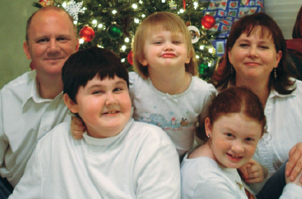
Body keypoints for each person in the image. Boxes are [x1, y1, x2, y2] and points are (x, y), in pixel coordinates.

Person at [9, 46, 181, 199]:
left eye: (118, 89)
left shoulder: (152, 144)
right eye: (97, 92)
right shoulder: (54, 142)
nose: (111, 100)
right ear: (71, 103)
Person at [212, 12, 302, 196]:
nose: (253, 53)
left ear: (277, 58)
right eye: (244, 45)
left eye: (263, 46)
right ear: (230, 54)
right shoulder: (212, 99)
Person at [72, 12, 217, 158]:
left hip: (182, 162)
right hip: (140, 158)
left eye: (176, 42)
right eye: (158, 42)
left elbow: (208, 132)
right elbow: (104, 105)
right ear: (142, 57)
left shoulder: (203, 92)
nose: (168, 46)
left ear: (188, 55)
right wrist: (80, 121)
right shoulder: (131, 85)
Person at [0, 6, 79, 198]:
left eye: (61, 38)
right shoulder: (8, 97)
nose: (53, 48)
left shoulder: (97, 95)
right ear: (27, 50)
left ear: (77, 46)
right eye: (42, 40)